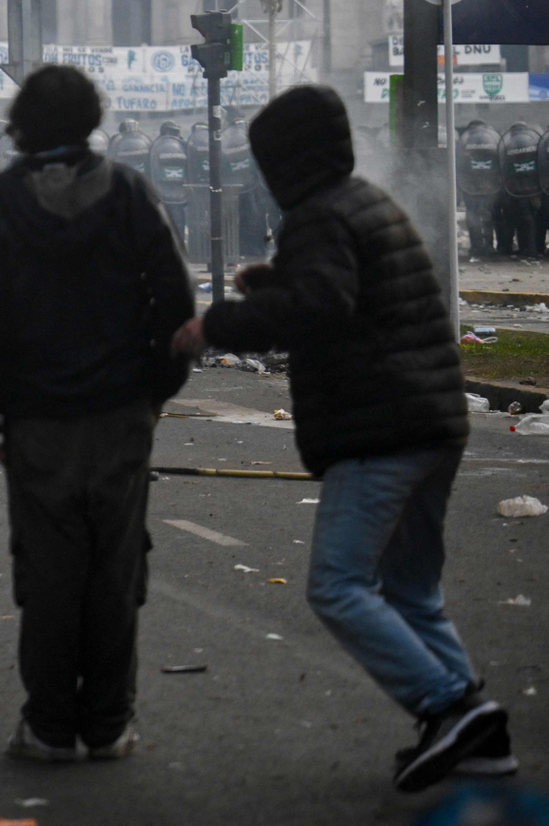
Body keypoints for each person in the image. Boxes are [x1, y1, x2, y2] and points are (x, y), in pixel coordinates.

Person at [171, 85, 508, 793]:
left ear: (286, 162)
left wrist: (220, 324)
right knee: (411, 590)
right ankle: (481, 729)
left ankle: (445, 707)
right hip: (432, 420)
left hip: (380, 427)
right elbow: (350, 293)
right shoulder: (363, 201)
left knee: (338, 584)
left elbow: (322, 304)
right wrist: (276, 281)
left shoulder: (318, 215)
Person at [0, 64, 194, 762]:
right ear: (94, 119)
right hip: (121, 415)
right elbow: (176, 305)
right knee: (114, 572)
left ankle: (51, 725)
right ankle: (110, 720)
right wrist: (155, 394)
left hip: (35, 424)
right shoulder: (130, 194)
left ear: (21, 123)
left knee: (50, 573)